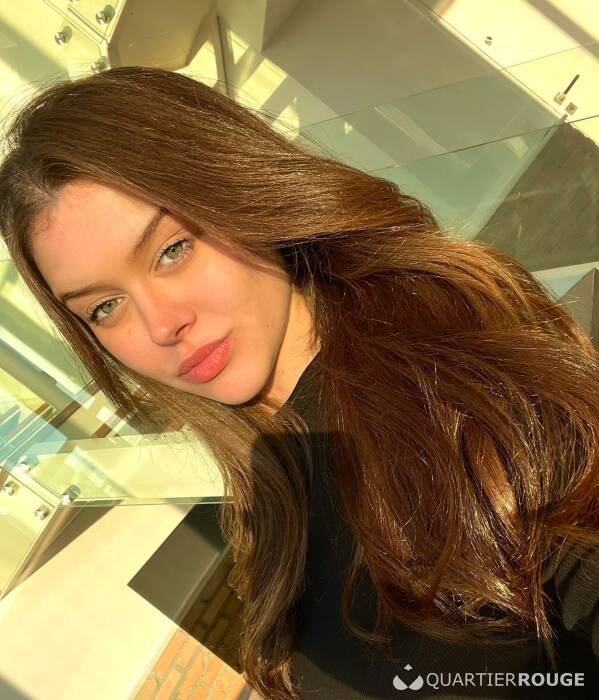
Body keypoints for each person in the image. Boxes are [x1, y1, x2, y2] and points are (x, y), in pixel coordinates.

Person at [0, 66, 597, 700]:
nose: (162, 324)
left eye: (172, 250)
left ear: (243, 191)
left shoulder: (455, 389)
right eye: (105, 307)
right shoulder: (272, 488)